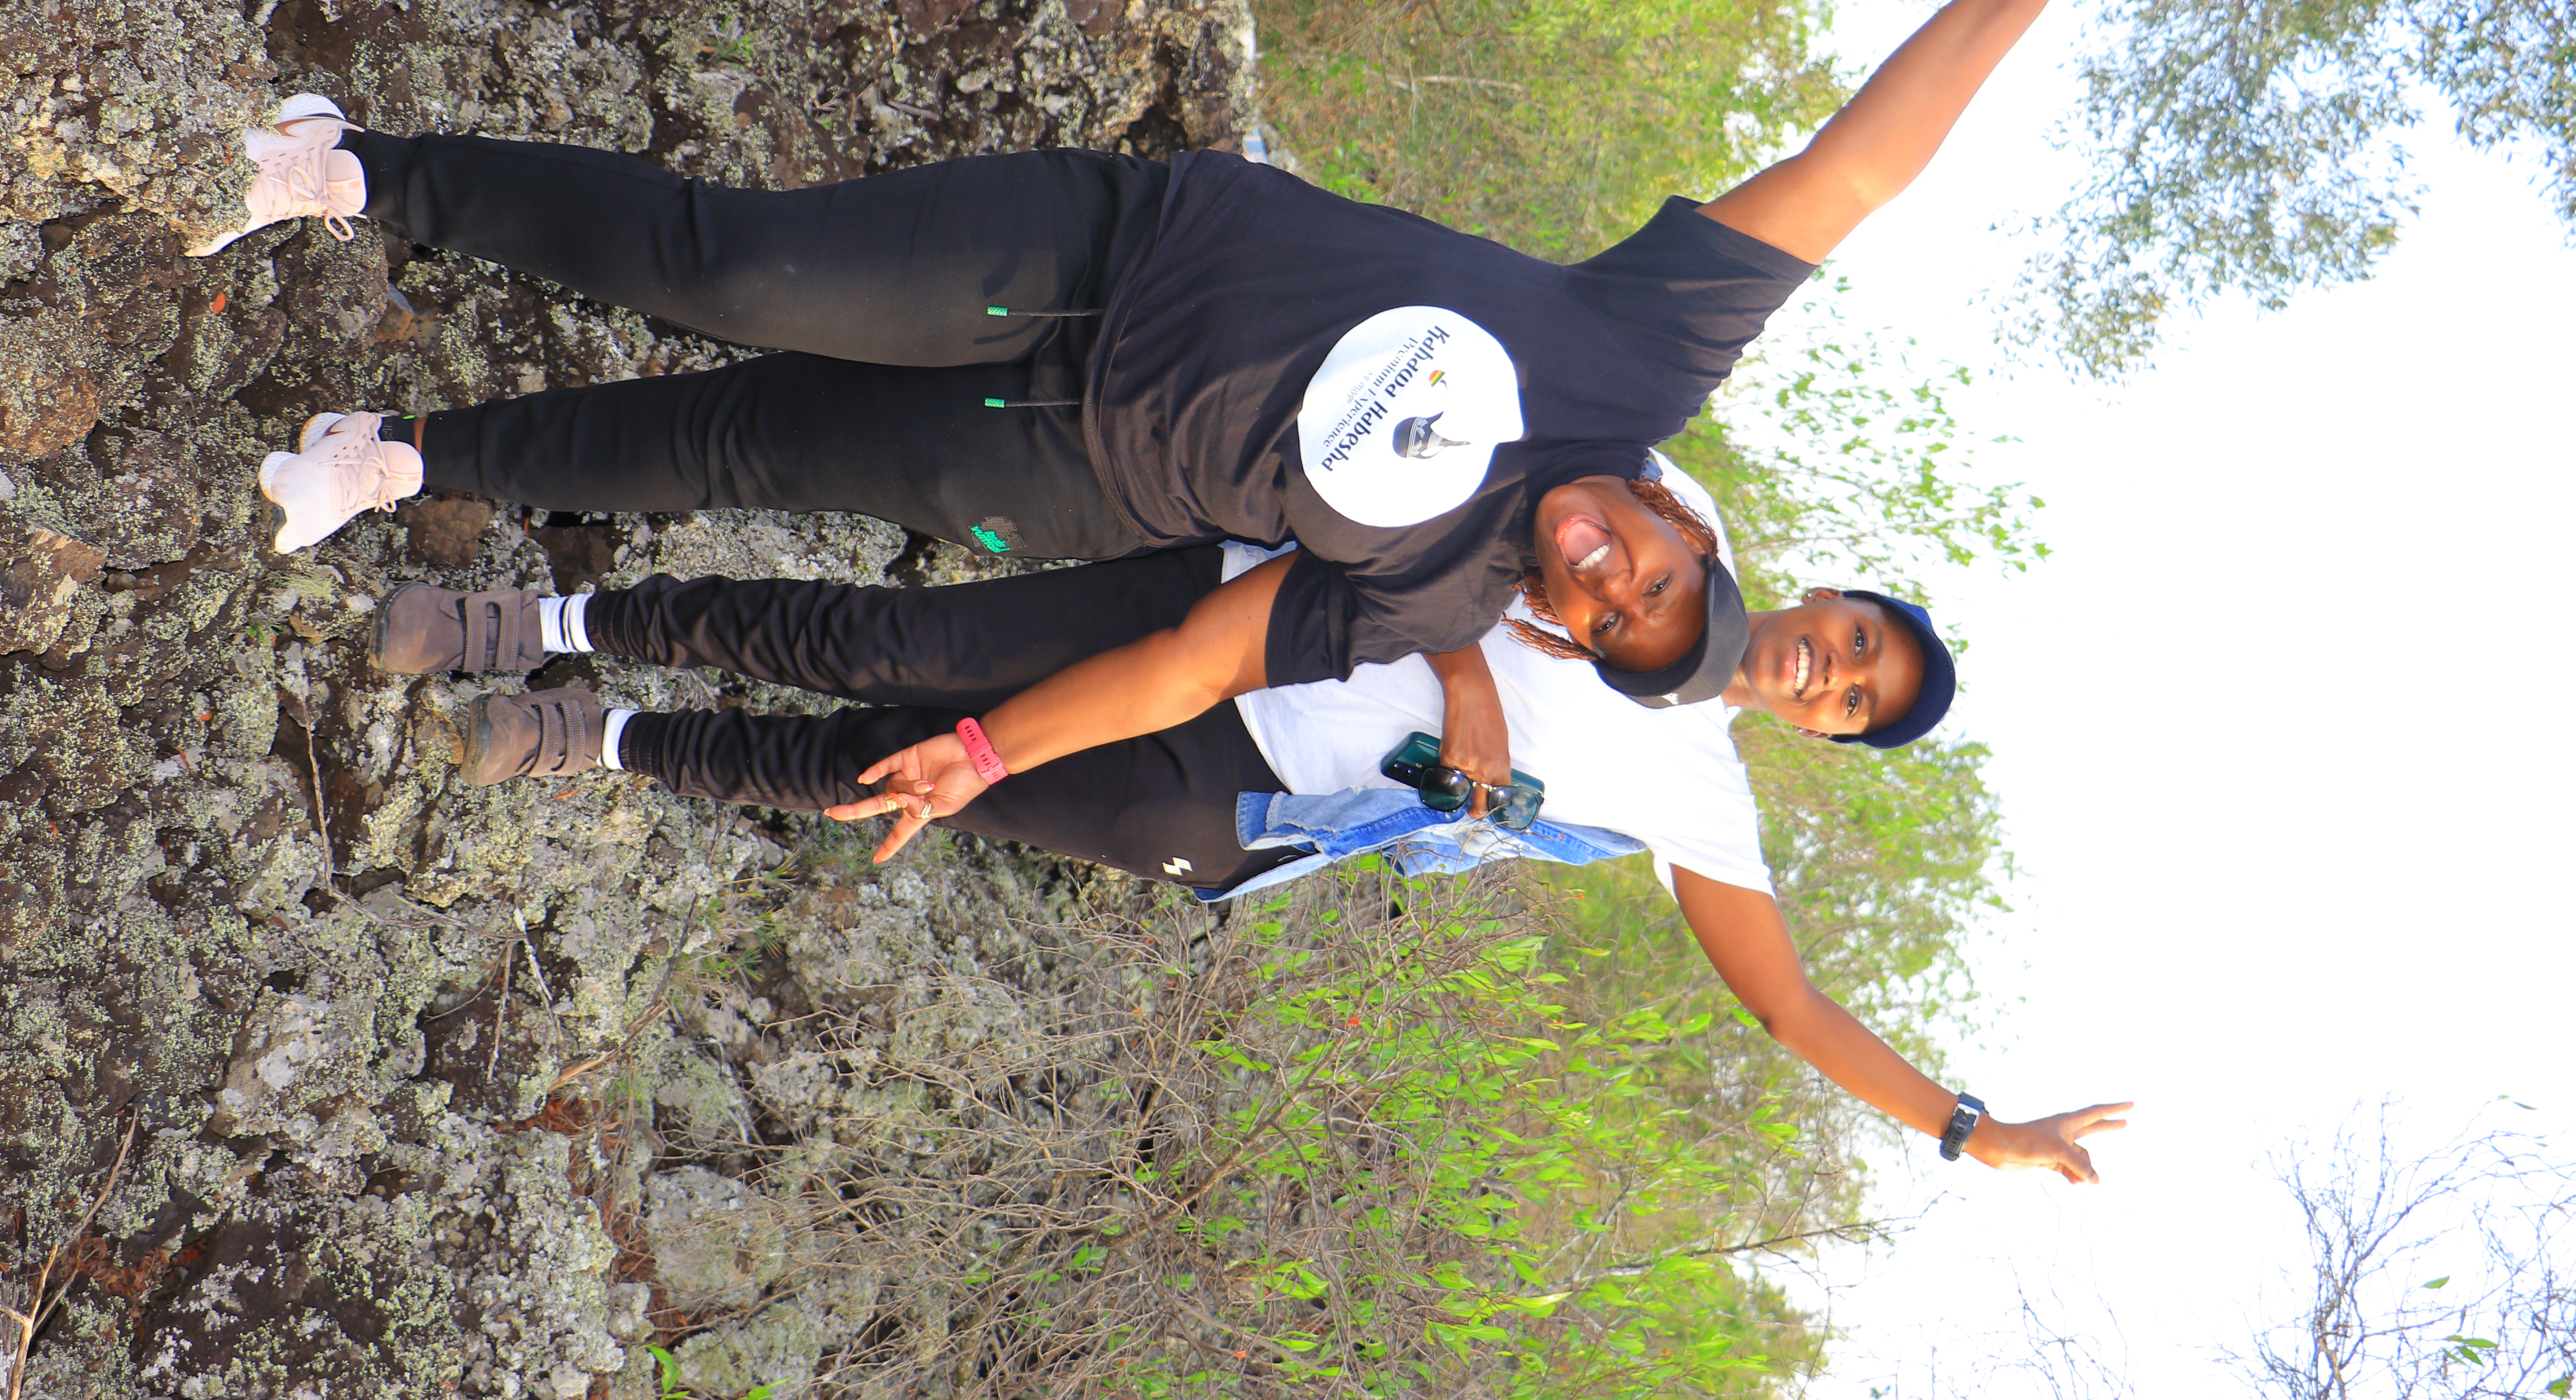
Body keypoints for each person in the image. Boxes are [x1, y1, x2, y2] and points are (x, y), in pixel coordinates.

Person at [220, 0, 2202, 808]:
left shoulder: (1429, 605)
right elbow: (1860, 171)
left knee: (732, 445)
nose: (1605, 577)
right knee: (730, 269)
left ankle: (391, 463)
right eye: (1648, 568)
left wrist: (988, 754)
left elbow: (1183, 669)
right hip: (1103, 257)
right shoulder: (1651, 351)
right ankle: (354, 164)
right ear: (1693, 526)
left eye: (1611, 621)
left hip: (1061, 464)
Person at [380, 455, 2128, 1183]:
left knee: (900, 760)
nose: (1832, 673)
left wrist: (1972, 1129)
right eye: (1860, 643)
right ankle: (528, 621)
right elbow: (1495, 482)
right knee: (894, 637)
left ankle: (581, 736)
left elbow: (1792, 1009)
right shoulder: (1676, 514)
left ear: (1823, 738)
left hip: (1240, 796)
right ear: (1830, 594)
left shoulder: (1708, 803)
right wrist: (1458, 673)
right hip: (1236, 607)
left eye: (1853, 704)